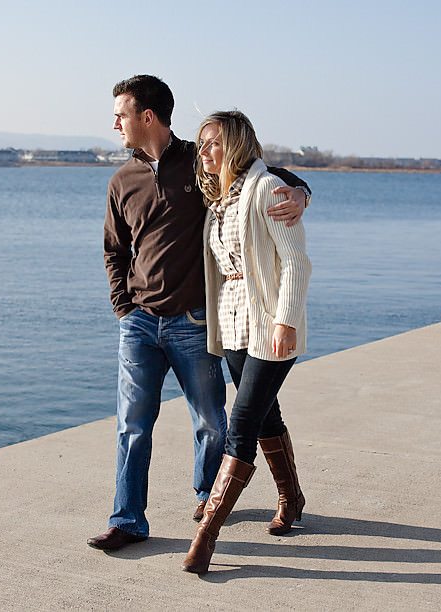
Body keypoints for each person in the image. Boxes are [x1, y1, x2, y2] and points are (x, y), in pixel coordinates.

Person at [88, 76, 311, 551]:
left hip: (194, 322)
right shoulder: (121, 179)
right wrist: (124, 309)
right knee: (131, 424)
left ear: (147, 116)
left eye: (121, 115)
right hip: (140, 323)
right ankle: (127, 519)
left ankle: (210, 498)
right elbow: (113, 250)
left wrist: (303, 192)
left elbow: (270, 178)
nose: (115, 124)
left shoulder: (202, 157)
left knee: (212, 421)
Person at [182, 111, 311, 574]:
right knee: (263, 414)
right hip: (234, 324)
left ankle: (207, 535)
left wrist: (285, 321)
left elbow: (296, 261)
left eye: (213, 142)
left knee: (241, 424)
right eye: (201, 144)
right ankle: (291, 497)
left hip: (270, 323)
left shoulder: (267, 188)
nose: (204, 151)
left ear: (236, 143)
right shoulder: (218, 197)